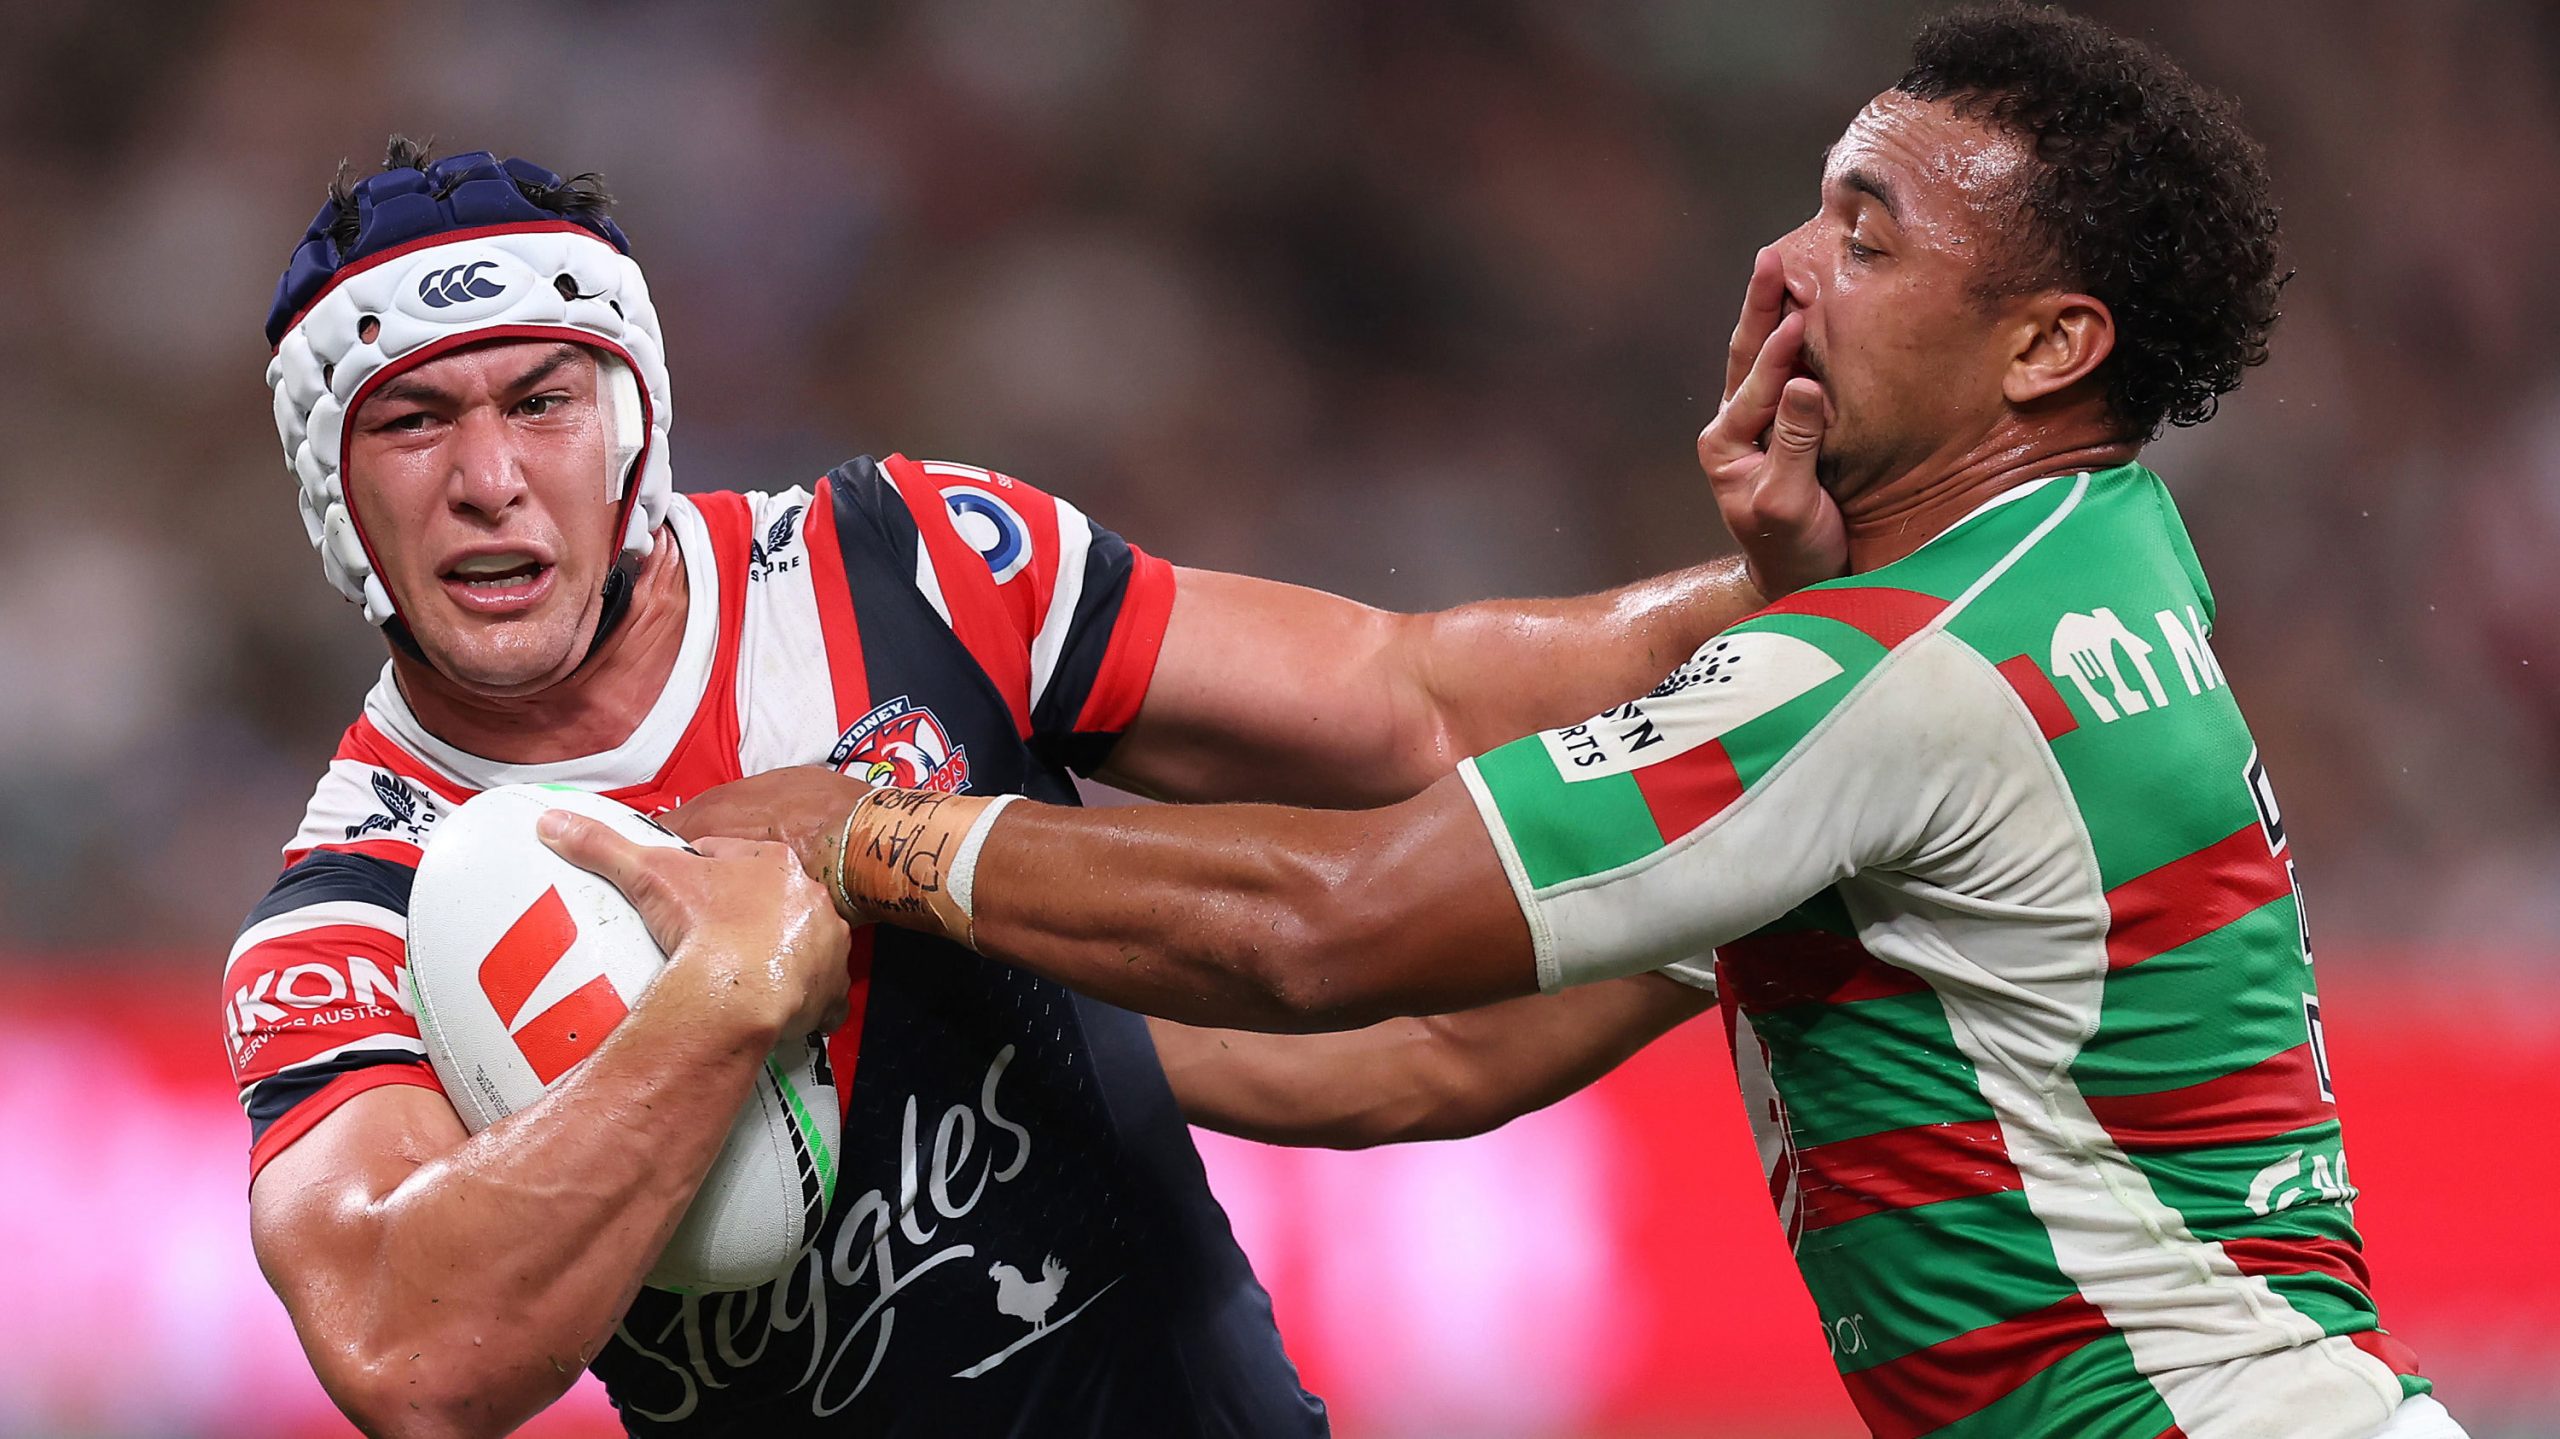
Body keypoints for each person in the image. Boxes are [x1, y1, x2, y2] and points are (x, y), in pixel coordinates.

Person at [633, 9, 2468, 1438]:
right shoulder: (2097, 563)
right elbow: (1429, 1066)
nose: (1783, 270)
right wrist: (952, 1026)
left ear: (2050, 351)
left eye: (1869, 241)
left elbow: (1325, 937)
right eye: (1817, 201)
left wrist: (885, 841)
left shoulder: (1896, 681)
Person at [224, 138, 1826, 1435]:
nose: (490, 479)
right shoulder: (350, 909)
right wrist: (722, 1002)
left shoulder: (907, 564)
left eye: (542, 401)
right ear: (333, 488)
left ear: (634, 414)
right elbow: (411, 1362)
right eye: (414, 421)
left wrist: (1798, 584)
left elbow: (1414, 702)